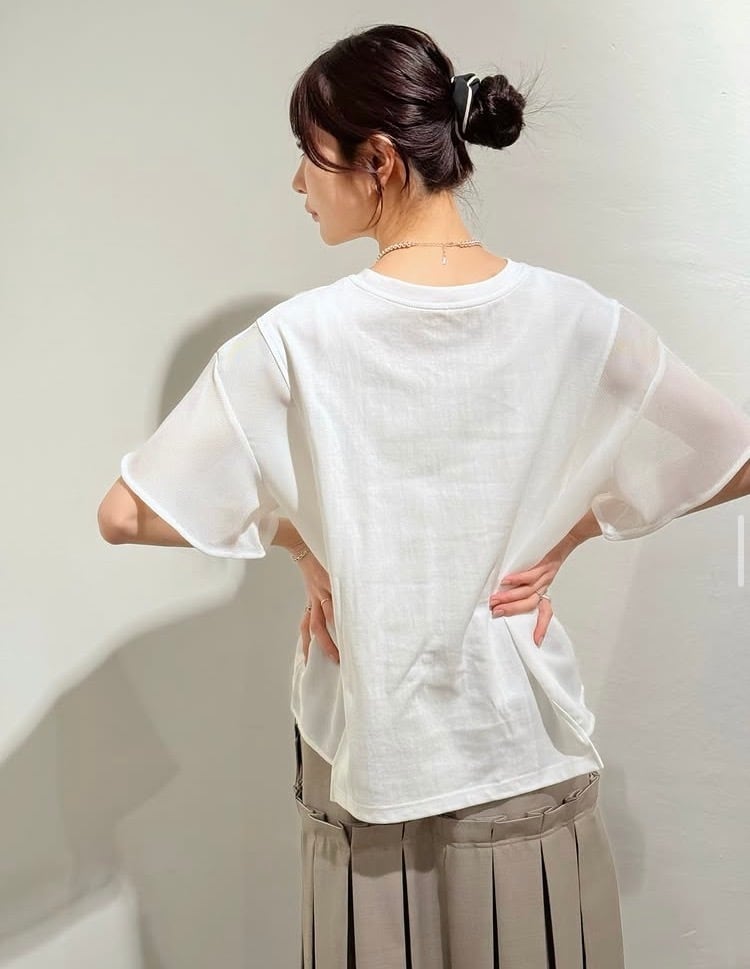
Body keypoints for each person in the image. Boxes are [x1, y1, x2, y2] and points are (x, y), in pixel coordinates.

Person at [98, 22, 750, 969]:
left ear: (377, 160)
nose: (297, 183)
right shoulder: (575, 317)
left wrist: (302, 544)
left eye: (308, 153)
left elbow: (125, 512)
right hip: (519, 738)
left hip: (371, 755)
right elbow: (734, 451)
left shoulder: (295, 340)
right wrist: (567, 535)